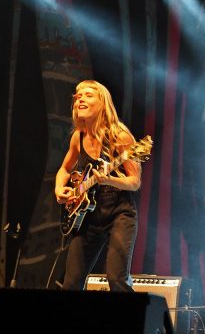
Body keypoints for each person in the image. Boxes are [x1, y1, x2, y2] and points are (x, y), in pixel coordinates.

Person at [54, 79, 141, 291]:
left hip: (119, 213)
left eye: (88, 94)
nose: (80, 98)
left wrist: (109, 179)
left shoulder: (120, 135)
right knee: (71, 284)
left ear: (102, 103)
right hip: (87, 217)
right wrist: (59, 189)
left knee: (116, 279)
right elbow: (64, 169)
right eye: (78, 95)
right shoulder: (78, 137)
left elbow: (134, 182)